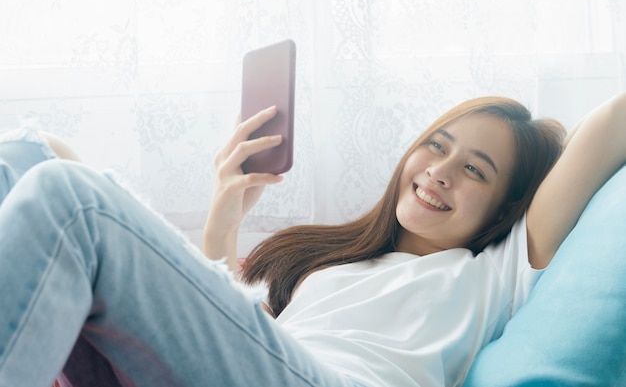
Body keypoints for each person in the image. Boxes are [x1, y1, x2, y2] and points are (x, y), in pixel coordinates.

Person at [0, 93, 624, 387]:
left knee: (69, 196)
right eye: (438, 145)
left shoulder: (495, 271)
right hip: (273, 367)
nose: (440, 170)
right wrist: (225, 216)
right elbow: (221, 347)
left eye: (474, 170)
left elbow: (611, 124)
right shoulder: (340, 266)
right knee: (32, 158)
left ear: (507, 207)